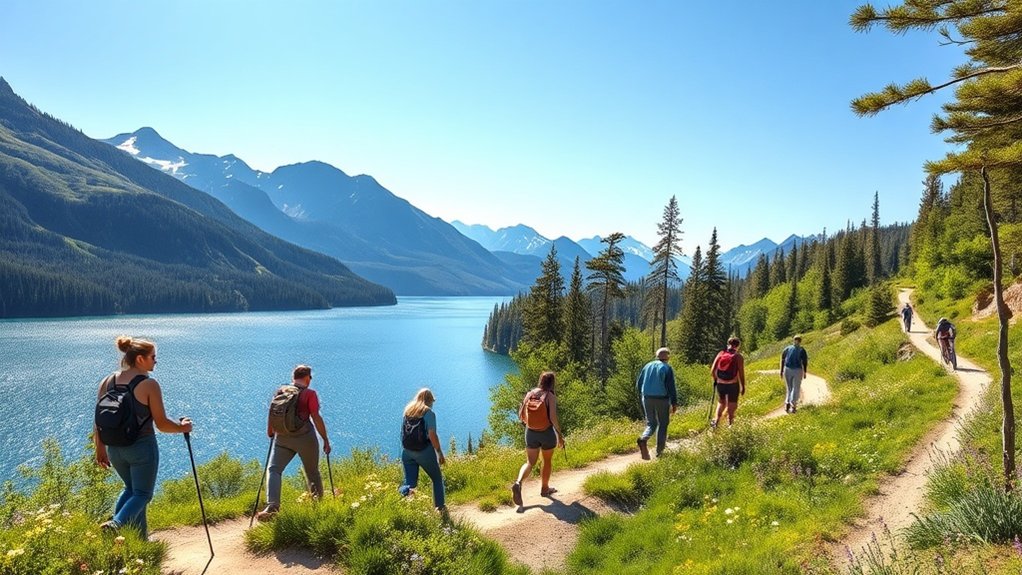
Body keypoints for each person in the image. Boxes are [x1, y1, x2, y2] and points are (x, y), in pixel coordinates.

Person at [94, 336, 193, 539]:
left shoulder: (107, 382)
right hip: (141, 448)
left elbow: (98, 420)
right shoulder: (149, 385)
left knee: (132, 490)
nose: (156, 361)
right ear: (140, 359)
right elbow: (162, 424)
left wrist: (100, 448)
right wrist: (183, 427)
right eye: (153, 357)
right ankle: (116, 524)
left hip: (114, 449)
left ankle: (139, 540)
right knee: (142, 494)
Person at [257, 365, 331, 521]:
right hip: (305, 439)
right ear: (307, 378)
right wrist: (325, 439)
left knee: (274, 470)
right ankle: (318, 509)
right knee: (312, 472)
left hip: (282, 437)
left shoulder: (282, 391)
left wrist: (270, 431)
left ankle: (272, 507)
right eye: (310, 378)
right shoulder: (310, 394)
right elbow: (315, 417)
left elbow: (273, 411)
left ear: (294, 377)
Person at [511, 372, 564, 505]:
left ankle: (518, 483)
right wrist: (560, 436)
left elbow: (521, 414)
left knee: (530, 462)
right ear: (552, 383)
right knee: (546, 461)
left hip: (530, 433)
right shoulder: (550, 396)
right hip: (546, 433)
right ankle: (545, 489)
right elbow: (553, 418)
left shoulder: (530, 393)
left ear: (541, 380)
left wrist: (529, 424)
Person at [398, 388, 447, 511]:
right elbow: (432, 435)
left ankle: (399, 500)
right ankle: (440, 508)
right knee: (436, 478)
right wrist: (439, 453)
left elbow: (403, 431)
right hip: (423, 451)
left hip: (407, 451)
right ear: (430, 400)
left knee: (410, 483)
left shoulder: (408, 410)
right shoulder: (428, 413)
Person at [636, 348, 677, 459]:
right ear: (667, 357)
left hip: (646, 398)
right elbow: (671, 387)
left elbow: (639, 384)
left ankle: (643, 439)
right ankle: (660, 452)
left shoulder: (647, 366)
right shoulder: (667, 368)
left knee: (651, 423)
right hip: (662, 399)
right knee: (663, 424)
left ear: (657, 356)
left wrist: (642, 396)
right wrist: (674, 402)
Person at [710, 337, 746, 428]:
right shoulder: (738, 357)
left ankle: (716, 422)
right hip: (733, 384)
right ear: (738, 346)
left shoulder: (721, 354)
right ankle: (730, 425)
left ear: (728, 344)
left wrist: (716, 380)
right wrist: (743, 386)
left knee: (721, 402)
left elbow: (712, 370)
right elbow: (741, 373)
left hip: (720, 384)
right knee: (732, 404)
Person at [780, 335, 809, 413]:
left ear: (793, 340)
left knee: (789, 388)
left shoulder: (787, 348)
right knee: (796, 388)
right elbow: (804, 362)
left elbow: (783, 359)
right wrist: (805, 372)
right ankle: (793, 405)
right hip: (797, 370)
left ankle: (787, 403)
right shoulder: (802, 350)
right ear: (800, 341)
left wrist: (781, 371)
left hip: (787, 369)